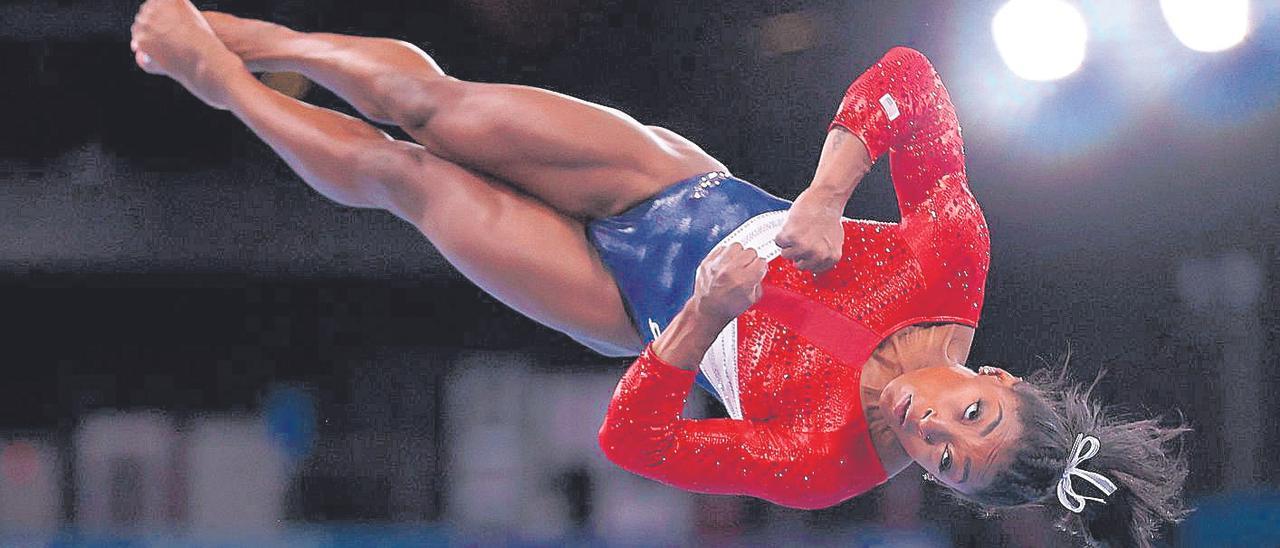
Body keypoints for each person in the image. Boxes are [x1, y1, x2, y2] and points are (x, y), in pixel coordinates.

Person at [129, 1, 1188, 545]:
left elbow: (633, 440)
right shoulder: (947, 262)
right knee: (436, 110)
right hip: (670, 187)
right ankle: (260, 35)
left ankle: (220, 79)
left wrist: (695, 323)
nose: (932, 431)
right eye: (967, 417)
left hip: (622, 304)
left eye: (945, 462)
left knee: (411, 180)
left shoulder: (830, 464)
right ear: (991, 377)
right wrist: (822, 195)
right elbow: (907, 81)